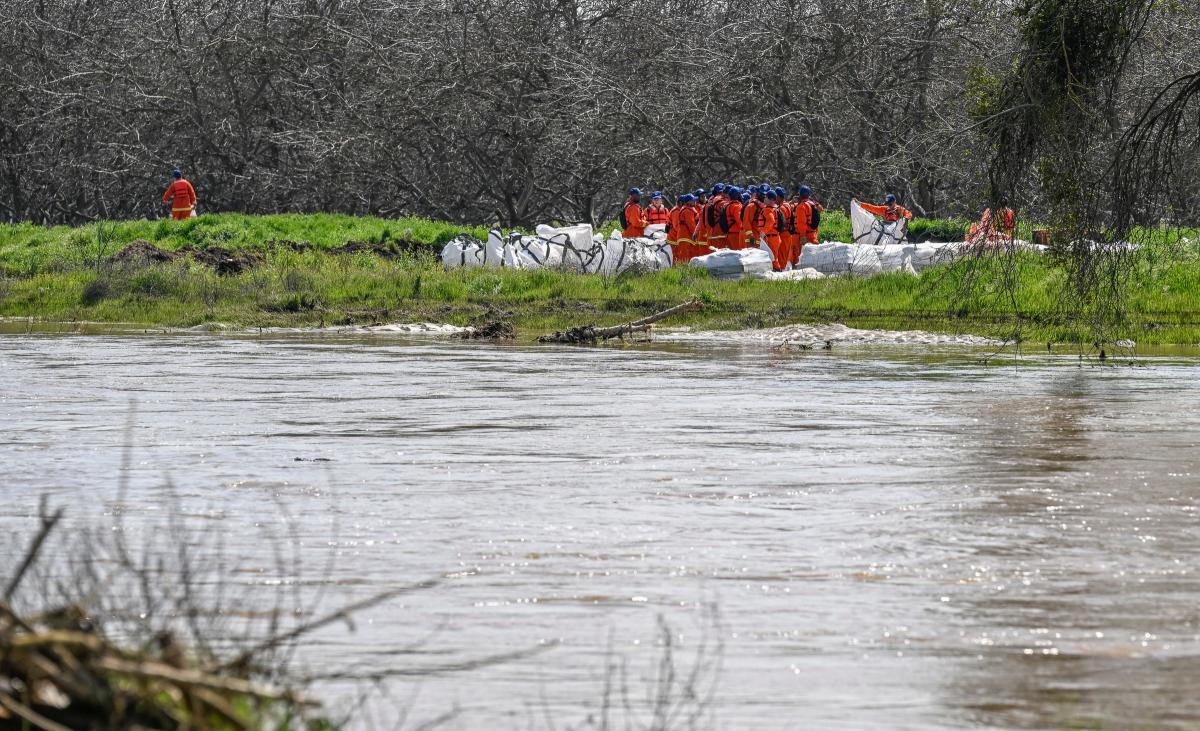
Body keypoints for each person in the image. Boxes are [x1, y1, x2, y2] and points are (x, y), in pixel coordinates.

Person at [793, 185, 825, 261]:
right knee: (813, 255)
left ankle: (799, 272)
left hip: (804, 235)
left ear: (800, 195)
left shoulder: (801, 206)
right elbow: (821, 209)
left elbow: (801, 223)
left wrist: (802, 236)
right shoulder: (813, 204)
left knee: (800, 256)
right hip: (813, 234)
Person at [762, 191, 789, 271]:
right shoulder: (775, 208)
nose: (764, 198)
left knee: (773, 257)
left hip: (771, 237)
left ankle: (777, 272)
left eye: (766, 197)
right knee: (774, 256)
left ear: (770, 199)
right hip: (775, 237)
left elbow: (771, 221)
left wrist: (763, 232)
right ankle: (777, 270)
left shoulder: (768, 210)